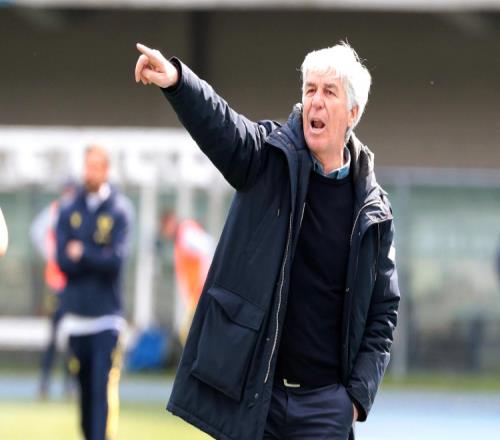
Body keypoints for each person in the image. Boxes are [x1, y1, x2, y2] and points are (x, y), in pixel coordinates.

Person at [135, 41, 400, 440]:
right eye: (310, 90)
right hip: (260, 401)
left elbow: (384, 310)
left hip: (326, 408)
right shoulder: (268, 157)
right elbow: (223, 125)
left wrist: (355, 400)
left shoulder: (373, 210)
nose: (315, 101)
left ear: (353, 113)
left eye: (329, 92)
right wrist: (178, 82)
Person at [56, 145, 133, 440]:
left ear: (106, 170)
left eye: (97, 166)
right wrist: (96, 254)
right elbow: (63, 261)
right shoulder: (68, 209)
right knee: (84, 395)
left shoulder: (120, 210)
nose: (90, 172)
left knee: (101, 392)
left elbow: (115, 262)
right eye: (88, 166)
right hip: (76, 318)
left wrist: (83, 252)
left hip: (106, 319)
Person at [31, 179, 76, 399]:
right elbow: (36, 232)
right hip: (57, 284)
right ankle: (45, 382)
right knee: (54, 336)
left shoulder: (79, 212)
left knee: (73, 337)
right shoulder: (55, 211)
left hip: (74, 283)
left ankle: (70, 384)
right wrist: (51, 255)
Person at [160, 210, 214, 345]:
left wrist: (205, 282)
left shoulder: (186, 233)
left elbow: (208, 248)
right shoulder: (180, 239)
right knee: (190, 334)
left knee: (189, 333)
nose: (165, 233)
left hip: (201, 293)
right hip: (195, 297)